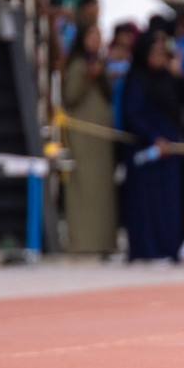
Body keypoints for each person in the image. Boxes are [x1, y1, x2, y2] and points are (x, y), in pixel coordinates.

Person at [119, 32, 184, 262]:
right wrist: (154, 136)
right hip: (146, 149)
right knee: (146, 202)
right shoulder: (136, 79)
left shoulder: (167, 78)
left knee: (168, 202)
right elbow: (132, 114)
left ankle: (168, 247)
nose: (160, 57)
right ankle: (147, 249)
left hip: (168, 149)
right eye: (155, 52)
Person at [61, 24, 117, 256]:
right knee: (83, 189)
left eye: (99, 35)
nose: (96, 39)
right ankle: (82, 243)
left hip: (101, 141)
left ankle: (103, 242)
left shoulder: (101, 64)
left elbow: (109, 94)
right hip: (83, 139)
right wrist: (87, 78)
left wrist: (100, 74)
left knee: (103, 193)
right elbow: (71, 97)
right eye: (91, 34)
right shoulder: (76, 65)